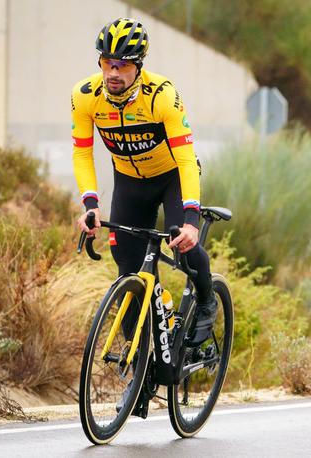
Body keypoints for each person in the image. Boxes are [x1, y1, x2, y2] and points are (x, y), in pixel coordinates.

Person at [71, 18, 217, 348]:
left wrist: (191, 220)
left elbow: (185, 159)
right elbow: (82, 154)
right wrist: (90, 206)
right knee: (128, 272)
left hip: (172, 179)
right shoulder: (85, 96)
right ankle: (138, 367)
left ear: (138, 66)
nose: (113, 73)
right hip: (129, 181)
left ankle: (207, 301)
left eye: (122, 65)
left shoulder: (162, 95)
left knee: (185, 245)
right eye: (107, 63)